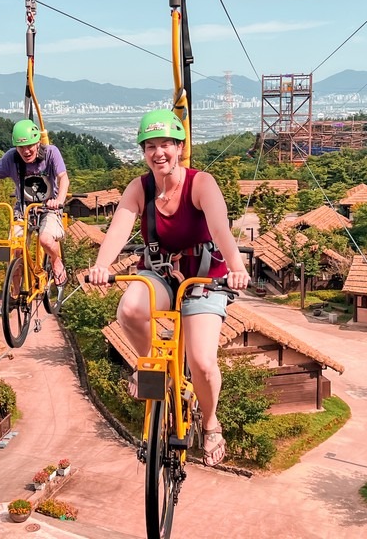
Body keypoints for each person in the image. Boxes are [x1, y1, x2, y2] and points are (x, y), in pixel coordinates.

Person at [88, 109, 251, 467]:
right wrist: (101, 265)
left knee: (203, 362)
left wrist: (237, 267)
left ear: (179, 147)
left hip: (203, 276)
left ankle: (210, 423)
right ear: (144, 152)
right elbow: (119, 228)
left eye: (166, 145)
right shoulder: (140, 188)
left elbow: (221, 229)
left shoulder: (201, 184)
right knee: (130, 309)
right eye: (151, 147)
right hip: (159, 271)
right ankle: (150, 366)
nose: (159, 153)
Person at [0, 119, 70, 285]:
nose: (26, 151)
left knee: (45, 240)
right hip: (23, 209)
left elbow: (63, 177)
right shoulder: (11, 158)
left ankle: (56, 261)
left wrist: (58, 200)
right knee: (13, 249)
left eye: (30, 146)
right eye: (21, 147)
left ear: (37, 143)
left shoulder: (51, 153)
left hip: (48, 208)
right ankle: (12, 293)